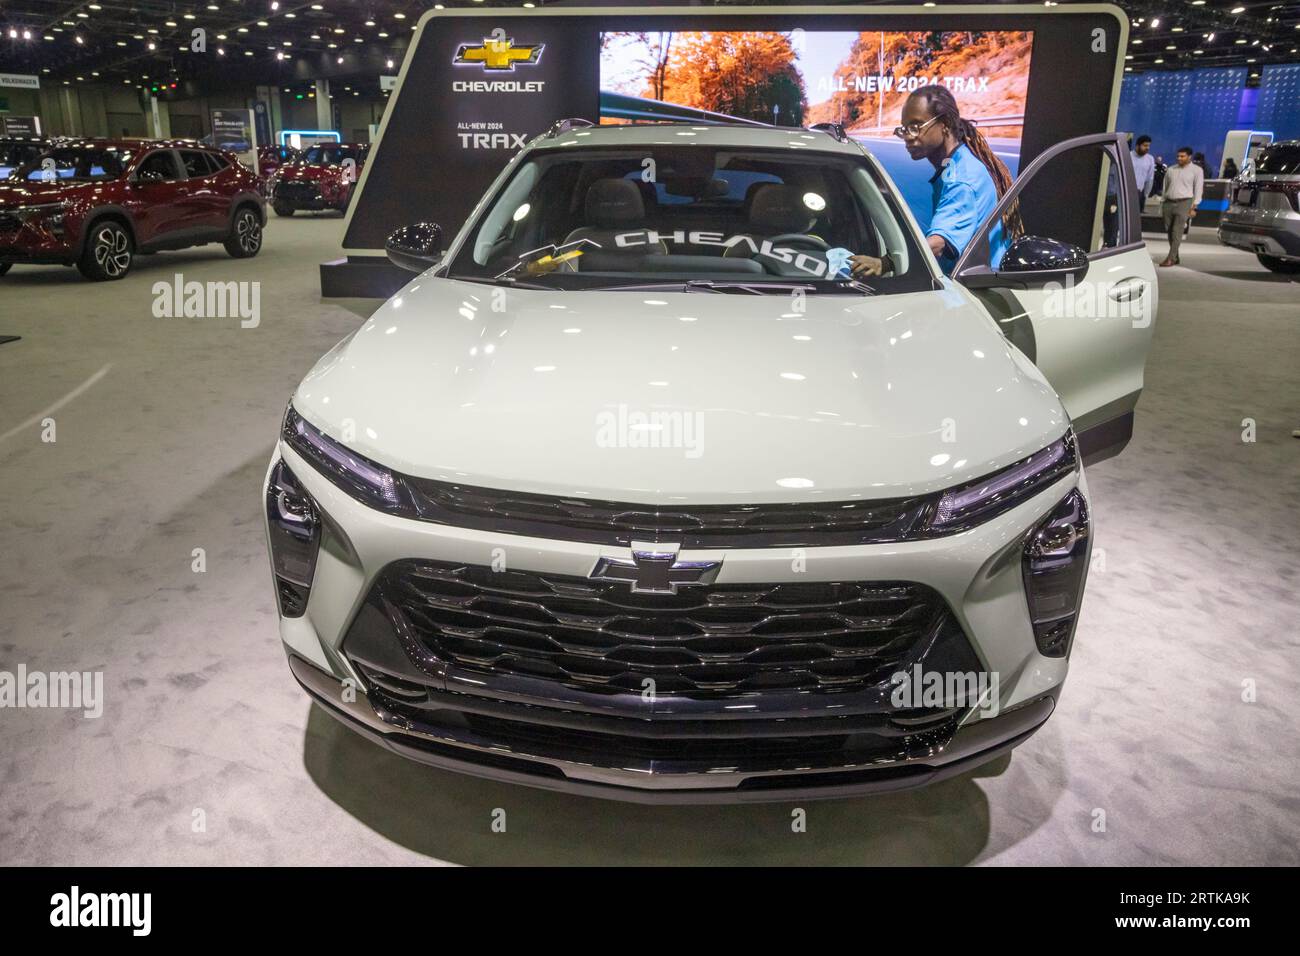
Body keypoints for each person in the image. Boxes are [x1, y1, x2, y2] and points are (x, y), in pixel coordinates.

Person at [848, 84, 1020, 278]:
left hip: (978, 289)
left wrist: (885, 263)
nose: (907, 137)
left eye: (915, 127)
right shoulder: (955, 163)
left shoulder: (961, 179)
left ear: (945, 124)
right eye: (903, 129)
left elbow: (937, 244)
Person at [1160, 146, 1202, 267]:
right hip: (1168, 202)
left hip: (1184, 203)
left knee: (1176, 231)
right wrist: (1162, 202)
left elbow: (1198, 189)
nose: (1179, 158)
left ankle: (1170, 258)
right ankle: (1175, 256)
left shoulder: (1197, 170)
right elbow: (1165, 186)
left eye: (1182, 156)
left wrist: (1195, 206)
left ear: (1189, 157)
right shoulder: (1171, 169)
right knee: (1169, 230)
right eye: (1178, 156)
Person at [1132, 135, 1156, 203]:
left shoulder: (1150, 159)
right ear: (1137, 145)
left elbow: (1150, 178)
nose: (1147, 148)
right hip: (1124, 191)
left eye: (1148, 146)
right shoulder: (1127, 156)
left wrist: (1145, 195)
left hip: (1138, 193)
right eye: (1145, 145)